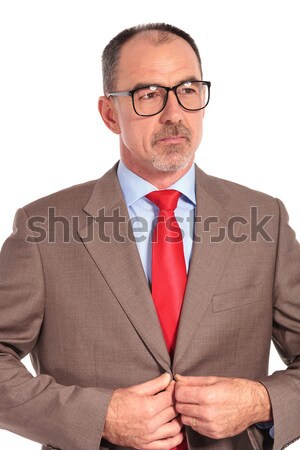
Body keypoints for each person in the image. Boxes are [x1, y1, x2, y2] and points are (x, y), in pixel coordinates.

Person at [0, 22, 299, 450]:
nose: (173, 113)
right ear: (109, 113)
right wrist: (97, 417)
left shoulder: (263, 219)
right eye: (149, 95)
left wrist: (262, 401)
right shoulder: (42, 227)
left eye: (188, 89)